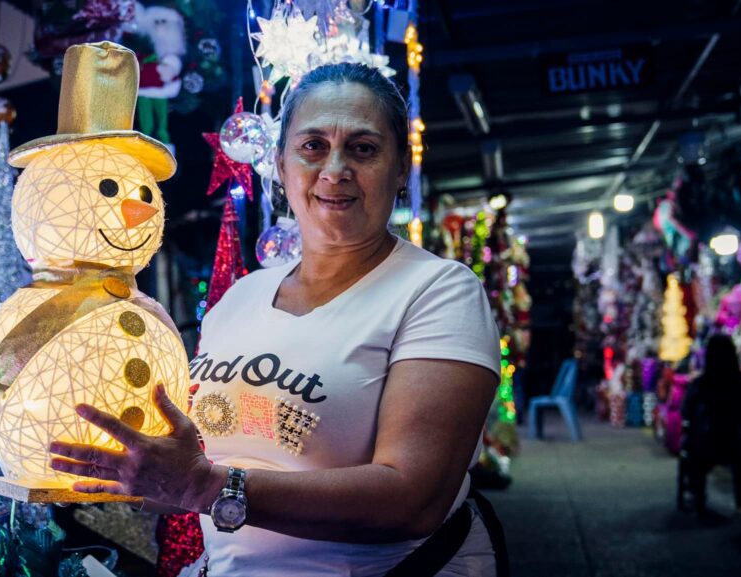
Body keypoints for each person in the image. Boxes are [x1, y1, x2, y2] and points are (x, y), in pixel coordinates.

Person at [48, 63, 504, 576]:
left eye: (363, 148)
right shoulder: (241, 299)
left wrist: (204, 486)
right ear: (282, 166)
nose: (335, 169)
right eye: (313, 146)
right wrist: (140, 473)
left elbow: (413, 498)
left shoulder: (437, 292)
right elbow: (202, 466)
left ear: (401, 169)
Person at [681, 334, 741, 514]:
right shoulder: (740, 383)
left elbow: (686, 412)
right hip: (735, 443)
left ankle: (697, 493)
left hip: (705, 442)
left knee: (693, 449)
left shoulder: (700, 384)